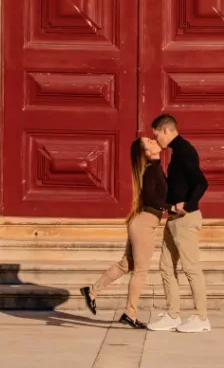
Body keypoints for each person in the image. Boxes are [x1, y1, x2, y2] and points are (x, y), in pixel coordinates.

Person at [80, 136, 166, 329]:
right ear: (146, 152)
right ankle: (130, 313)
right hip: (144, 224)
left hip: (141, 222)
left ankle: (92, 291)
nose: (154, 141)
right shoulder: (151, 171)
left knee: (125, 264)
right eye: (149, 142)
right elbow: (152, 197)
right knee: (141, 271)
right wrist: (172, 206)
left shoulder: (153, 168)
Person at [147, 113, 210, 334]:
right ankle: (173, 315)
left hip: (185, 219)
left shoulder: (184, 151)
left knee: (191, 268)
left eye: (157, 135)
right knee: (166, 266)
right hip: (173, 219)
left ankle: (201, 317)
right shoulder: (177, 152)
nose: (157, 140)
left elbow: (202, 182)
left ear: (166, 130)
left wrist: (189, 206)